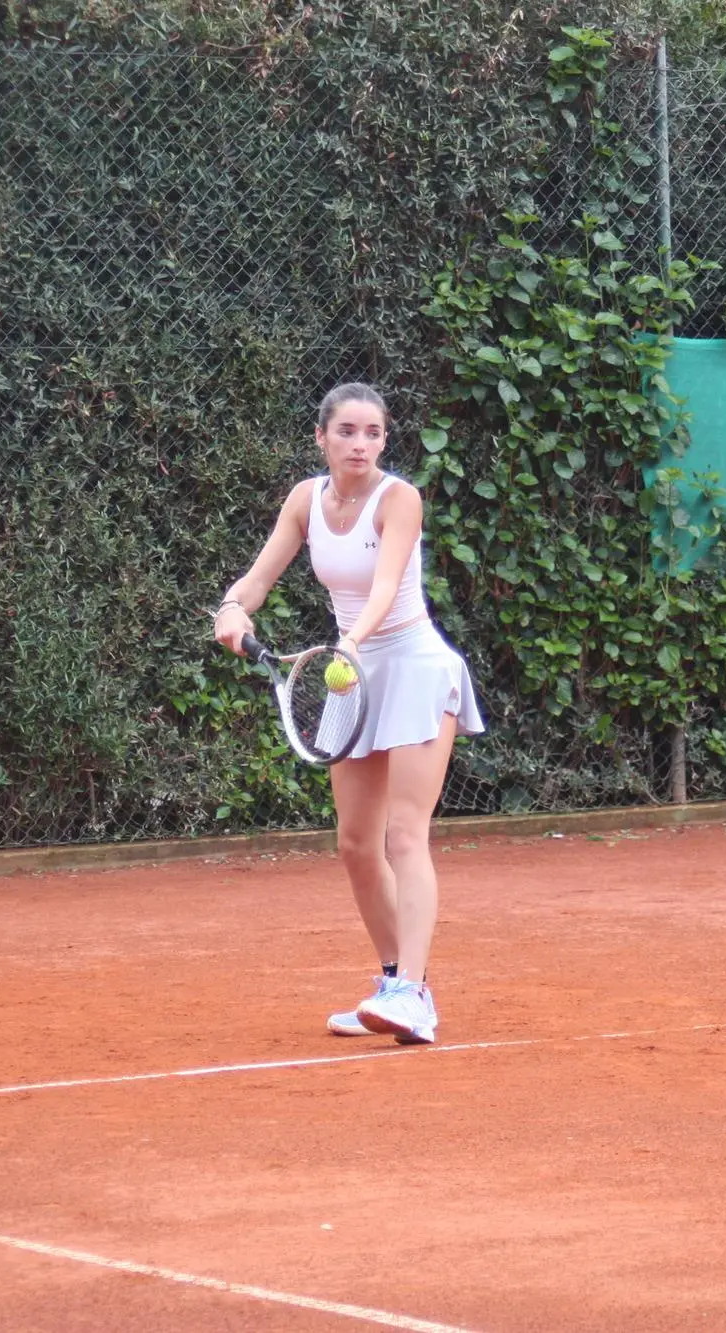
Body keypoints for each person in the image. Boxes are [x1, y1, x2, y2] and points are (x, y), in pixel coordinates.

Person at [212, 383, 485, 1045]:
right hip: (350, 673)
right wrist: (231, 606)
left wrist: (352, 642)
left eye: (372, 433)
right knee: (356, 844)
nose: (360, 443)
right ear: (321, 438)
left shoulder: (401, 500)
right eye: (347, 432)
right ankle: (396, 982)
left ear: (383, 441)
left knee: (403, 835)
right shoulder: (306, 500)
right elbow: (259, 575)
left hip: (412, 667)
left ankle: (415, 997)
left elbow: (388, 584)